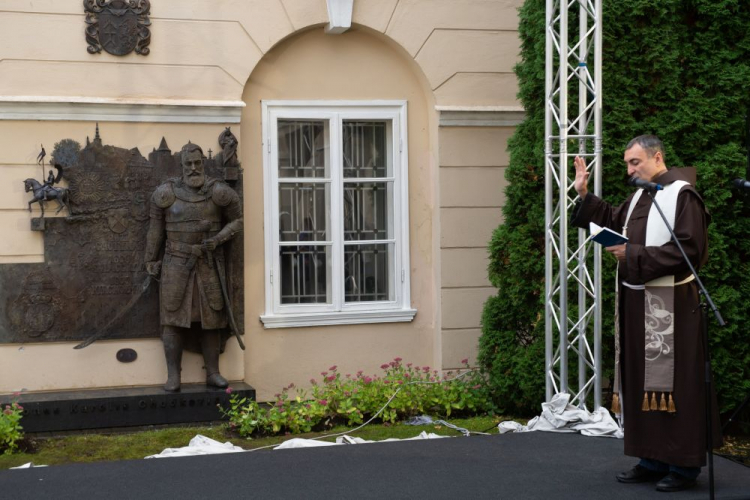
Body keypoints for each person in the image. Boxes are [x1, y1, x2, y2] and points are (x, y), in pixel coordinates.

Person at [571, 135, 721, 492]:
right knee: (642, 381)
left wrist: (632, 253)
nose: (629, 170)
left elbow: (690, 250)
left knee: (675, 385)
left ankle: (682, 467)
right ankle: (650, 458)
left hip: (672, 305)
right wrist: (584, 195)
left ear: (657, 158)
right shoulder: (642, 193)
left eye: (635, 163)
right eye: (626, 164)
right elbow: (614, 220)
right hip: (636, 301)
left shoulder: (682, 195)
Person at [144, 142, 243, 392]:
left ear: (203, 163)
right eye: (188, 164)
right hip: (175, 264)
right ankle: (173, 376)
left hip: (209, 263)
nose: (193, 168)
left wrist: (217, 240)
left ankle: (213, 372)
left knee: (212, 319)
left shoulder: (219, 192)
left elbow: (237, 221)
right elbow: (155, 231)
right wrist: (150, 259)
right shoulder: (165, 194)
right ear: (181, 165)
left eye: (197, 163)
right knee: (172, 318)